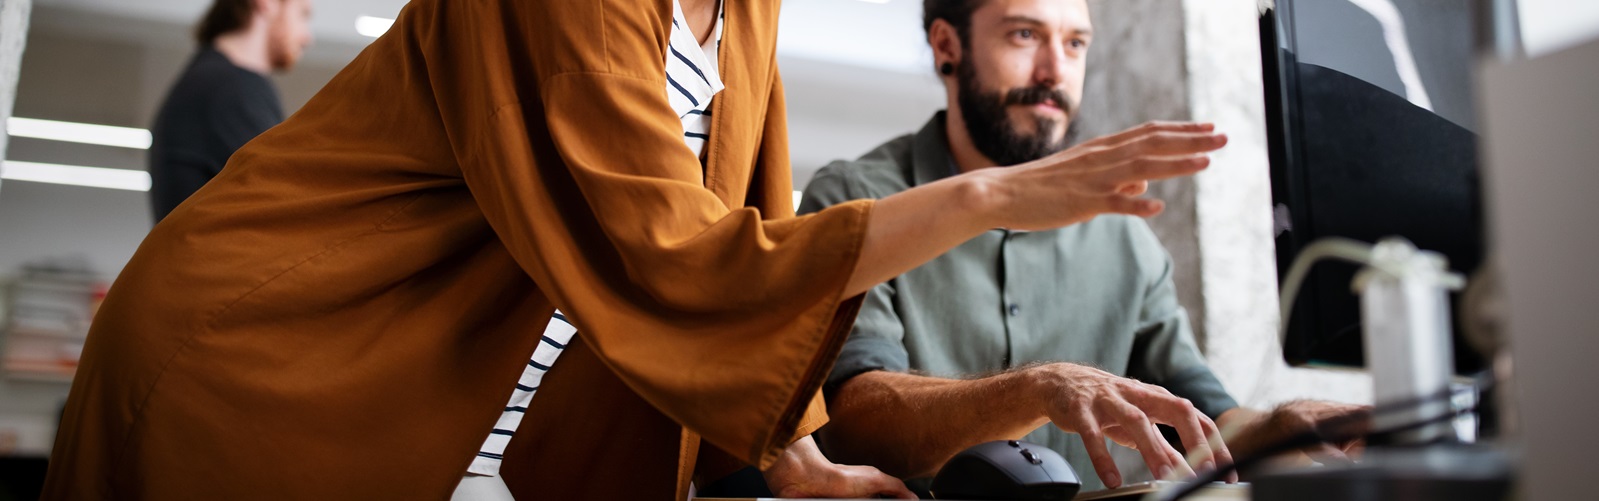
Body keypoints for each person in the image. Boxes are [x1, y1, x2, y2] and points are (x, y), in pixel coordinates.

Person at [41, 0, 1225, 499]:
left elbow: (747, 238)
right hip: (275, 367)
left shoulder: (743, 7)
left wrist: (799, 463)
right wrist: (990, 196)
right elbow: (683, 263)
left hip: (470, 416)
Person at [801, 0, 1365, 493]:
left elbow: (1206, 426)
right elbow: (853, 422)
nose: (1054, 71)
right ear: (947, 45)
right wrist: (1037, 390)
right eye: (1024, 35)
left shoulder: (1124, 237)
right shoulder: (856, 199)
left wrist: (1283, 426)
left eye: (1075, 43)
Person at [147, 0, 314, 222]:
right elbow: (287, 206)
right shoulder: (230, 86)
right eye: (302, 14)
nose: (306, 38)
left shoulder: (211, 80)